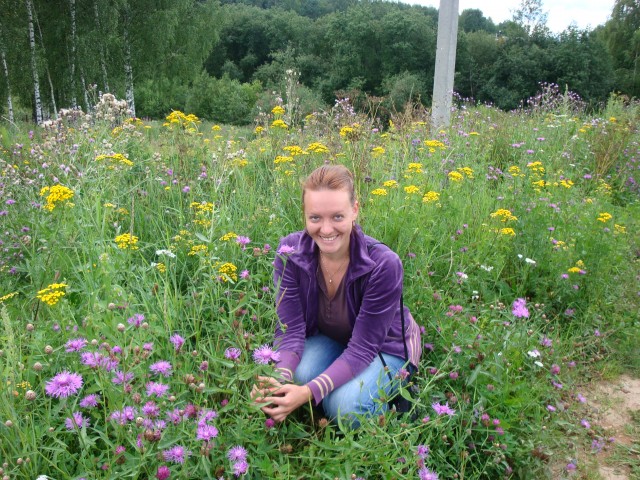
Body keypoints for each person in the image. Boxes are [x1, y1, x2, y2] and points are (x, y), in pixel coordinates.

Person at [252, 164, 422, 427]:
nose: (327, 229)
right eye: (315, 218)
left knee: (343, 407)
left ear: (355, 209)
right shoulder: (290, 253)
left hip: (384, 346)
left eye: (338, 217)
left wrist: (308, 393)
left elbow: (363, 348)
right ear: (304, 215)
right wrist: (278, 380)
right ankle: (334, 381)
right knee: (299, 374)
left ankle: (398, 405)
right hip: (335, 337)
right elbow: (290, 331)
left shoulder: (383, 264)